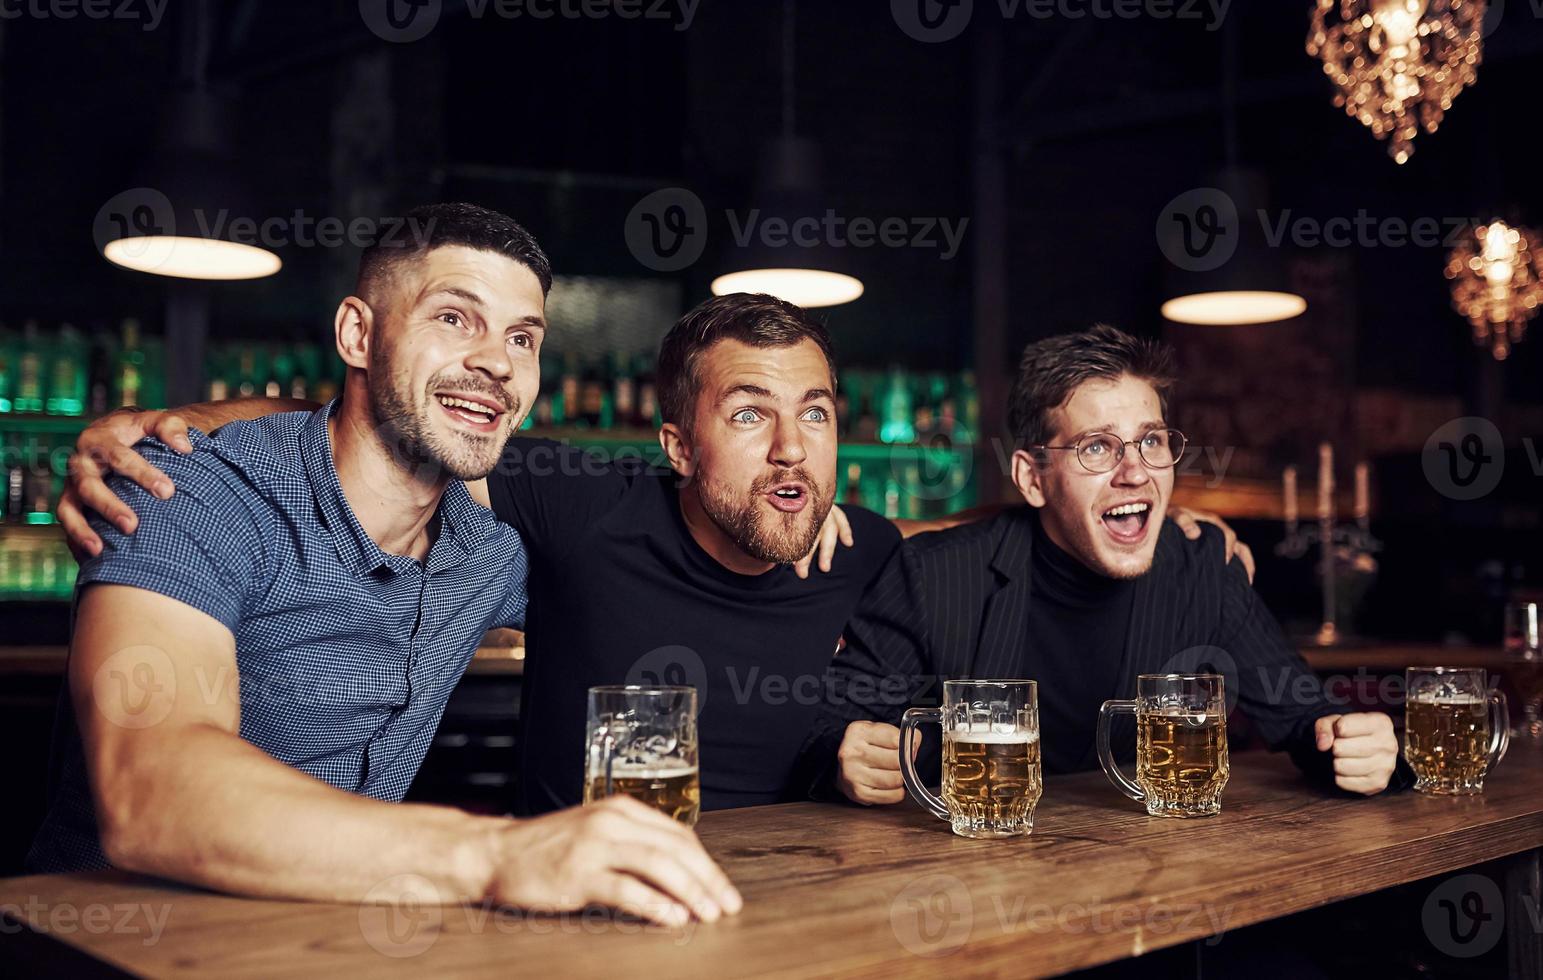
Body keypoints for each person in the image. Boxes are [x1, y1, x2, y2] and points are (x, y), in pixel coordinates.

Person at [58, 297, 1249, 818]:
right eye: (749, 416)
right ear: (676, 442)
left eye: (817, 414)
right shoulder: (580, 502)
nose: (793, 450)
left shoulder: (871, 547)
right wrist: (177, 424)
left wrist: (1173, 521)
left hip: (791, 922)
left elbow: (1007, 538)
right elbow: (373, 434)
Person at [29, 203, 740, 928]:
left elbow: (686, 567)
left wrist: (795, 516)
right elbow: (152, 796)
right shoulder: (188, 494)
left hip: (320, 942)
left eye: (522, 337)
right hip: (104, 946)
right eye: (454, 319)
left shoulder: (493, 555)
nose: (496, 361)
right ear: (357, 334)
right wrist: (498, 854)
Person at [818, 324, 1402, 806]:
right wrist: (844, 758)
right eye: (1097, 447)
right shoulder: (934, 577)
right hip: (974, 897)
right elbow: (826, 730)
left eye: (1151, 441)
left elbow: (1308, 719)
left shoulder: (1202, 567)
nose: (1135, 471)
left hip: (1152, 899)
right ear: (1032, 478)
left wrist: (1362, 750)